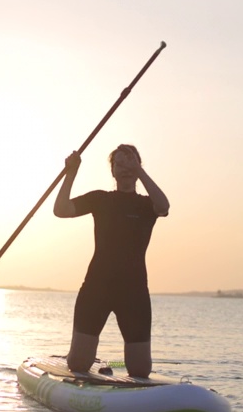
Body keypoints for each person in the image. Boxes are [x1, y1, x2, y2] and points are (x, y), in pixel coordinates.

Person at [53, 144, 170, 378]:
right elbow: (61, 210)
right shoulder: (100, 199)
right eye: (120, 163)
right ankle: (85, 358)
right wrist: (71, 173)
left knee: (139, 370)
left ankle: (113, 365)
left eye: (131, 162)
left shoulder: (147, 205)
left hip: (134, 291)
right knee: (78, 365)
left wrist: (140, 171)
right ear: (112, 171)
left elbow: (164, 207)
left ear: (138, 167)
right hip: (97, 287)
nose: (126, 168)